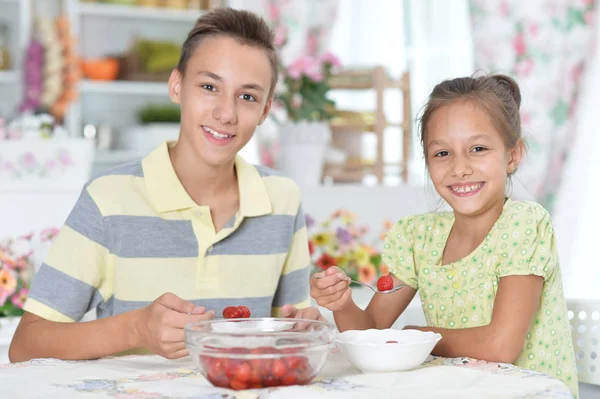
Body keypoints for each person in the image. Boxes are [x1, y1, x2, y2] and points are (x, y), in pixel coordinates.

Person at [10, 7, 323, 363]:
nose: (226, 113)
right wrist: (136, 329)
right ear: (177, 86)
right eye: (209, 87)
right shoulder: (108, 199)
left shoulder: (282, 199)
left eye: (247, 96)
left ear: (265, 111)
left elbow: (287, 327)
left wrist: (304, 328)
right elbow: (26, 344)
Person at [310, 74, 578, 397]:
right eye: (442, 154)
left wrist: (420, 335)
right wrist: (341, 303)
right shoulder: (419, 237)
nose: (459, 168)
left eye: (477, 149)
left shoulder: (523, 225)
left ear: (512, 156)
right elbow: (369, 332)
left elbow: (502, 345)